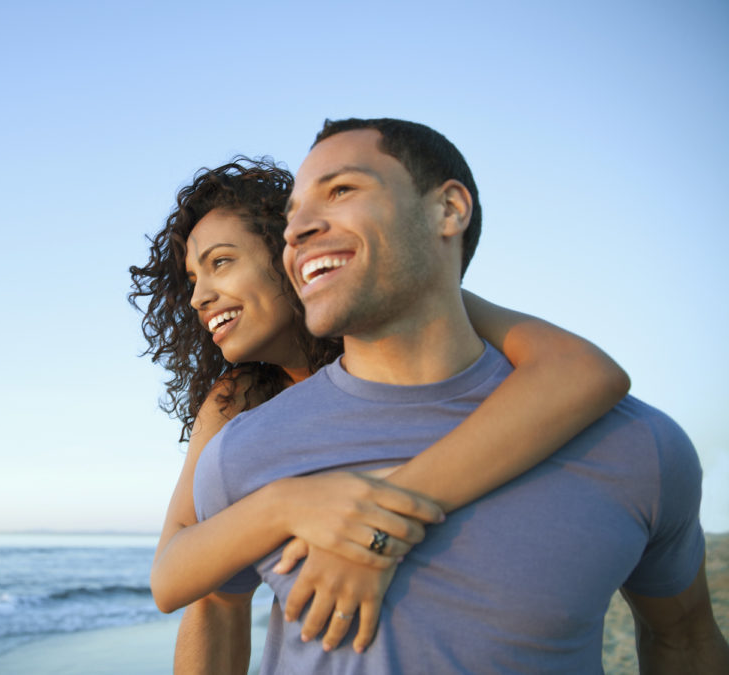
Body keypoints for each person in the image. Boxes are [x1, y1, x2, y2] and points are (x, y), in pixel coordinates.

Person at [187, 118, 728, 672]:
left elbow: (684, 637)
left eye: (342, 189)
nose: (296, 230)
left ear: (449, 210)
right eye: (292, 215)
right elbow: (210, 604)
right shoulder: (241, 448)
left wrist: (377, 528)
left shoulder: (637, 445)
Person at [130, 157, 631, 669]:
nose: (198, 297)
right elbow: (177, 579)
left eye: (220, 262)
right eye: (192, 277)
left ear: (291, 250)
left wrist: (381, 519)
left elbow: (585, 372)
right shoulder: (236, 401)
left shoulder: (410, 312)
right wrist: (287, 504)